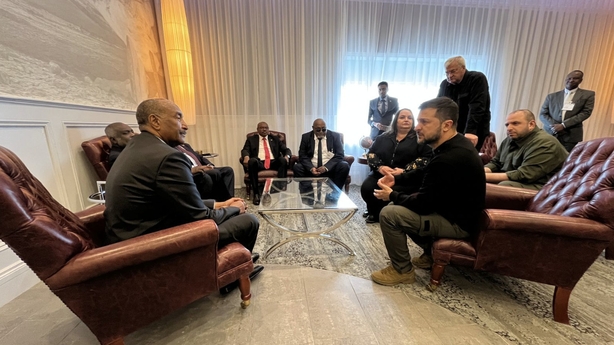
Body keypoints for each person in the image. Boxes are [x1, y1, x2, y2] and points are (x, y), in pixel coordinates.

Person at [104, 98, 262, 292]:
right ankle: (229, 277)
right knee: (248, 220)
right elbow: (199, 217)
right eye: (179, 118)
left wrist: (220, 204)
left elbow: (175, 202)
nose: (185, 125)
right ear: (155, 121)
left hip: (134, 232)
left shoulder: (136, 147)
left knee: (230, 211)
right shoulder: (168, 156)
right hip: (153, 243)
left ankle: (231, 260)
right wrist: (233, 208)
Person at [370, 97, 485, 286]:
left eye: (425, 121)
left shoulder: (451, 157)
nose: (417, 126)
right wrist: (397, 178)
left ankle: (402, 270)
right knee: (401, 207)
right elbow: (426, 171)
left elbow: (423, 205)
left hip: (458, 223)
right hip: (451, 213)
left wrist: (391, 194)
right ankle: (430, 253)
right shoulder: (453, 145)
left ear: (446, 125)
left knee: (390, 213)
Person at [360, 108, 432, 224]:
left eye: (409, 118)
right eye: (402, 117)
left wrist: (405, 170)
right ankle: (373, 210)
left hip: (405, 178)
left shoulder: (420, 139)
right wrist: (380, 167)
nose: (406, 120)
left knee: (390, 191)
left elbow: (426, 158)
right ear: (396, 120)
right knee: (367, 188)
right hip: (380, 173)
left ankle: (378, 213)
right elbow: (371, 154)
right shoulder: (383, 137)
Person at [485, 109, 568, 190]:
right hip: (521, 181)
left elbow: (524, 175)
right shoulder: (509, 140)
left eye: (515, 123)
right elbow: (495, 163)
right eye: (507, 125)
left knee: (504, 186)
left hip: (545, 187)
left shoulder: (545, 143)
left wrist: (480, 176)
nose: (509, 128)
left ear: (531, 124)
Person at [437, 56, 491, 151]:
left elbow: (477, 107)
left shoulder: (477, 79)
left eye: (453, 71)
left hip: (474, 129)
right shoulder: (445, 84)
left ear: (463, 68)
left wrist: (470, 131)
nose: (449, 75)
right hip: (452, 129)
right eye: (447, 73)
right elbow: (439, 106)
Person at [539, 70, 595, 152]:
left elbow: (586, 113)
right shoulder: (552, 96)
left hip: (570, 136)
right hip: (550, 134)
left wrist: (563, 125)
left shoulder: (588, 94)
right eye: (569, 78)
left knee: (566, 161)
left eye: (575, 78)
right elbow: (542, 114)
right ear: (565, 79)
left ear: (580, 80)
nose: (571, 80)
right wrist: (554, 126)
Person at [241, 122, 292, 205]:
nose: (264, 129)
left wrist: (287, 156)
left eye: (266, 127)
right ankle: (256, 194)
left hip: (273, 162)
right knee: (252, 161)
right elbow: (245, 150)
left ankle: (279, 191)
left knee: (282, 160)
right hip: (259, 162)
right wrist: (246, 156)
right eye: (261, 127)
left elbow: (286, 150)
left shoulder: (275, 139)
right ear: (257, 130)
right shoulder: (251, 139)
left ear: (268, 129)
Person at [293, 118, 350, 191]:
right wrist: (311, 168)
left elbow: (340, 155)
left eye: (324, 129)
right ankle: (307, 193)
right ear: (313, 128)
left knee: (344, 166)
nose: (321, 132)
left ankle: (336, 192)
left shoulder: (335, 136)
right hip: (311, 169)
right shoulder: (306, 137)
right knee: (297, 167)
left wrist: (326, 167)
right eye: (318, 130)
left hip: (329, 169)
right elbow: (302, 155)